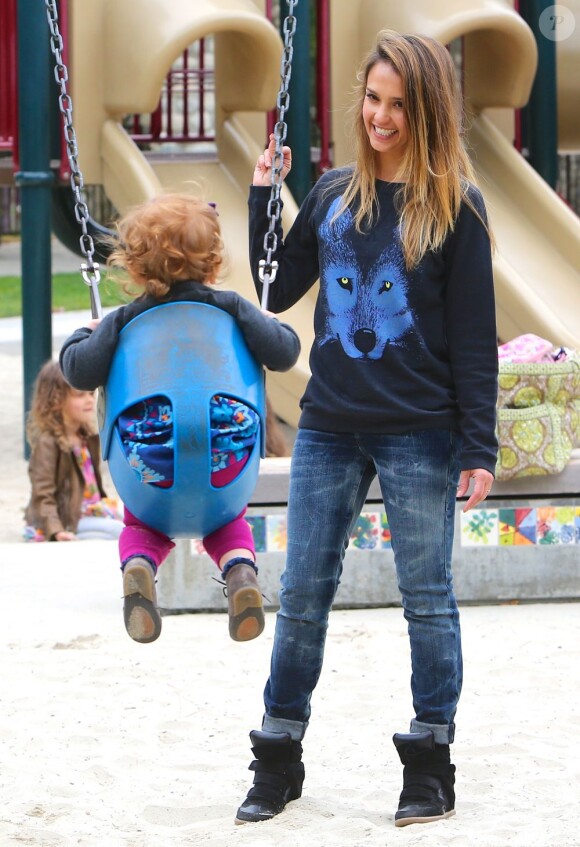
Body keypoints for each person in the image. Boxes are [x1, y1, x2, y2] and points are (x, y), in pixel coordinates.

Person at [235, 30, 498, 828]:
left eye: (398, 105)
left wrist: (478, 444)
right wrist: (261, 196)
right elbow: (277, 291)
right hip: (330, 427)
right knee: (304, 595)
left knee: (427, 599)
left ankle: (429, 764)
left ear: (427, 111)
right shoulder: (333, 195)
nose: (381, 117)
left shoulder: (455, 207)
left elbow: (475, 335)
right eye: (373, 99)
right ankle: (278, 756)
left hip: (421, 429)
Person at [60, 194, 300, 646]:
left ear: (134, 270)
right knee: (228, 518)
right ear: (213, 265)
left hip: (151, 468)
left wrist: (84, 333)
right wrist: (270, 321)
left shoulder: (122, 320)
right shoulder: (235, 308)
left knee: (141, 524)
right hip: (225, 461)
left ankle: (140, 566)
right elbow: (285, 353)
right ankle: (241, 573)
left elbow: (78, 370)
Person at [24, 360, 123, 543]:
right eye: (79, 394)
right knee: (118, 531)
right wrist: (56, 530)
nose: (89, 400)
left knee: (127, 524)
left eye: (91, 393)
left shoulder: (87, 438)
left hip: (88, 511)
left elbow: (94, 486)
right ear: (56, 400)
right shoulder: (49, 443)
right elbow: (42, 493)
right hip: (65, 519)